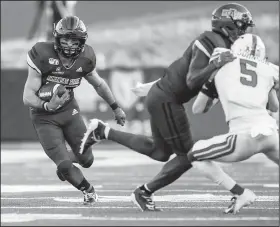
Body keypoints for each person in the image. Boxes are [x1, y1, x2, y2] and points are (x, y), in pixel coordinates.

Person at [79, 3, 255, 211]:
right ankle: (144, 192)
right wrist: (216, 65)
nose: (243, 32)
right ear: (227, 25)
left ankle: (103, 131)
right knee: (188, 156)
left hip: (164, 96)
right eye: (240, 26)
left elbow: (185, 75)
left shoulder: (219, 42)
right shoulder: (210, 40)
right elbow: (191, 80)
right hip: (168, 100)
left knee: (160, 152)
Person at [23, 16, 126, 205]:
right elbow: (27, 95)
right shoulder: (42, 54)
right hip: (44, 117)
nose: (70, 45)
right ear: (57, 39)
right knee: (64, 164)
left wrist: (116, 107)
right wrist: (47, 105)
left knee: (86, 160)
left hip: (69, 111)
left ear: (82, 41)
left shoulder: (86, 58)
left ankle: (66, 163)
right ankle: (88, 190)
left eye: (74, 40)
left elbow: (99, 84)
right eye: (65, 39)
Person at [187, 33, 279, 214]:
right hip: (271, 134)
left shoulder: (221, 67)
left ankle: (241, 193)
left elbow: (198, 109)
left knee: (194, 155)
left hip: (243, 137)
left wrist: (216, 90)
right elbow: (274, 107)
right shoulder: (268, 68)